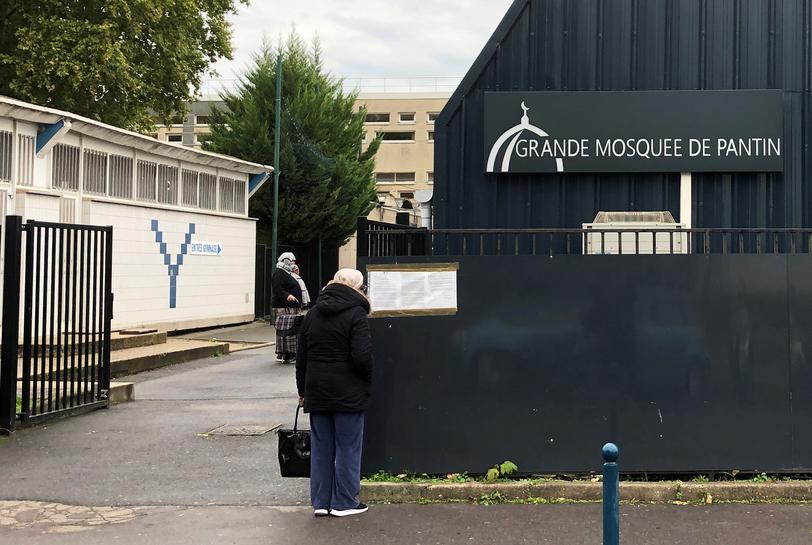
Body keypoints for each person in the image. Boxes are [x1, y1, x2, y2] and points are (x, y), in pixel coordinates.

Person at [296, 269, 373, 517]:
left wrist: (302, 391)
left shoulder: (314, 313)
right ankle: (344, 502)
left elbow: (302, 357)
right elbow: (362, 356)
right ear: (357, 287)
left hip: (316, 391)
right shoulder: (356, 313)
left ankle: (320, 502)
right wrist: (367, 379)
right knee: (348, 447)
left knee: (321, 448)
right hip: (348, 391)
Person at [272, 252, 303, 363]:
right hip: (285, 307)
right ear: (286, 261)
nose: (293, 263)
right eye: (292, 261)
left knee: (291, 330)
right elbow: (277, 289)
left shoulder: (287, 273)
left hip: (290, 306)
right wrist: (287, 295)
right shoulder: (279, 273)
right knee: (287, 330)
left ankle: (287, 353)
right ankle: (287, 353)